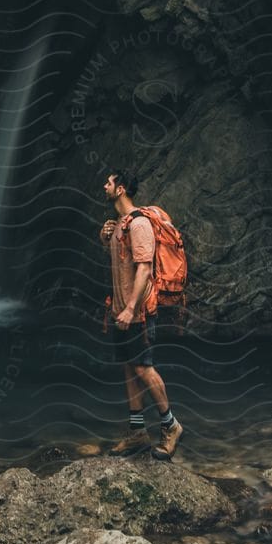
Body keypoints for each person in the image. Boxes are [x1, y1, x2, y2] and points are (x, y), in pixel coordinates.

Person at [100, 168, 183, 459]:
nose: (104, 186)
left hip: (139, 312)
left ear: (121, 189)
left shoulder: (139, 225)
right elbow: (122, 263)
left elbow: (145, 270)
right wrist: (105, 236)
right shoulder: (120, 224)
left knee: (143, 368)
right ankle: (137, 433)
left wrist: (132, 308)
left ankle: (171, 426)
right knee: (128, 367)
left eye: (109, 183)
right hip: (120, 312)